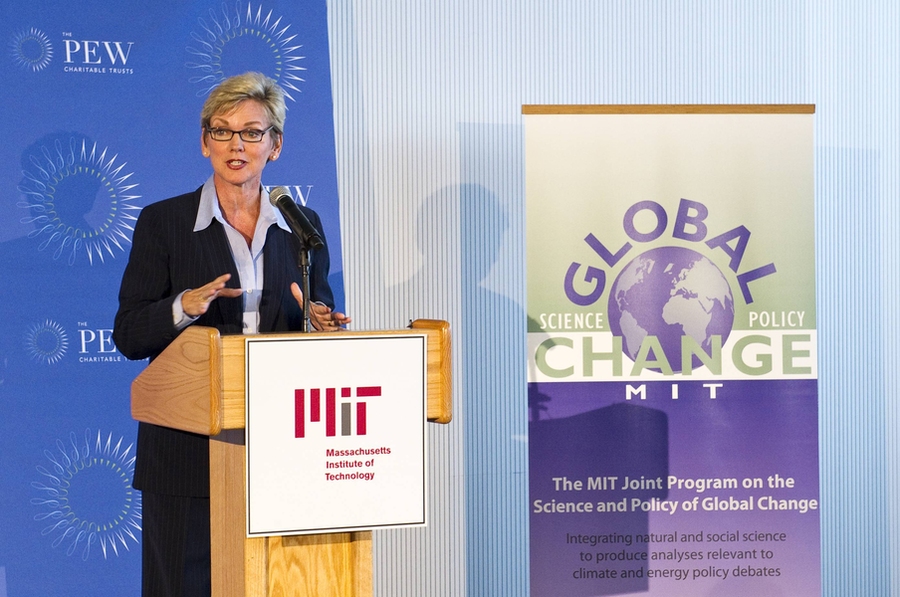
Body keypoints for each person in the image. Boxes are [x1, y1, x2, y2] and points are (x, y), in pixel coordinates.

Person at [113, 71, 350, 597]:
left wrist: (321, 322)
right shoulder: (164, 223)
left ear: (275, 145)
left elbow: (317, 306)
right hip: (185, 453)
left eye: (252, 132)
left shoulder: (302, 225)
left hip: (281, 449)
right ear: (205, 143)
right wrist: (184, 306)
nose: (236, 144)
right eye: (222, 131)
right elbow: (128, 335)